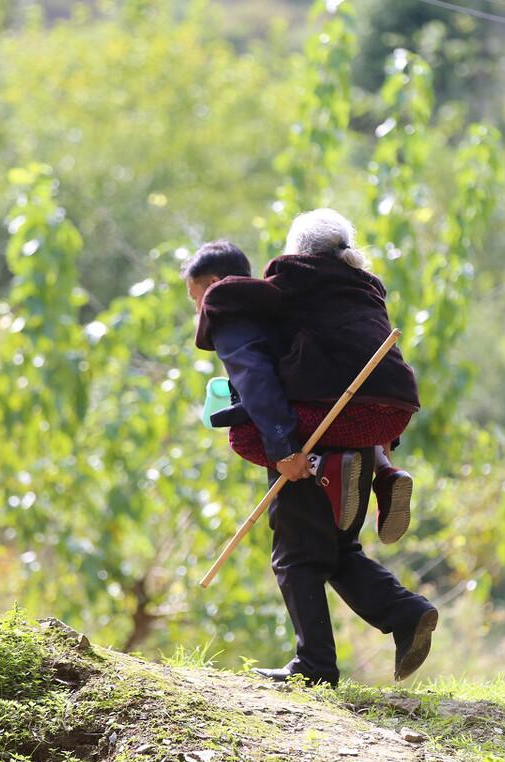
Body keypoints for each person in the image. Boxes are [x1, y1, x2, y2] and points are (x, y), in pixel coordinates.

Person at [183, 211, 438, 687]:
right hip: (380, 420)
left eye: (195, 297)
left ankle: (315, 668)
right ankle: (405, 611)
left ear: (214, 283)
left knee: (294, 551)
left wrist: (282, 447)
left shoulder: (237, 303)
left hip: (321, 427)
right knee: (333, 547)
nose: (197, 308)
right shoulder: (353, 288)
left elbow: (254, 377)